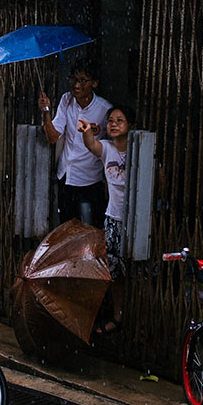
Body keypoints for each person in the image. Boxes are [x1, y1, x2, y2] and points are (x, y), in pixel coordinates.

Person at [78, 105, 132, 334]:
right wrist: (86, 130)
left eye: (120, 120)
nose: (114, 124)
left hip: (134, 223)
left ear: (131, 125)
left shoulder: (138, 149)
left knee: (134, 271)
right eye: (111, 120)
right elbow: (91, 144)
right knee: (114, 272)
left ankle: (136, 320)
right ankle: (117, 317)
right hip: (113, 219)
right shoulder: (108, 149)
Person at [38, 64, 112, 227]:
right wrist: (46, 112)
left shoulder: (105, 110)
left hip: (90, 180)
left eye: (83, 81)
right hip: (66, 176)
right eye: (74, 79)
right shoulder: (66, 100)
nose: (77, 85)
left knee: (90, 231)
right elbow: (52, 137)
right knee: (66, 230)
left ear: (95, 83)